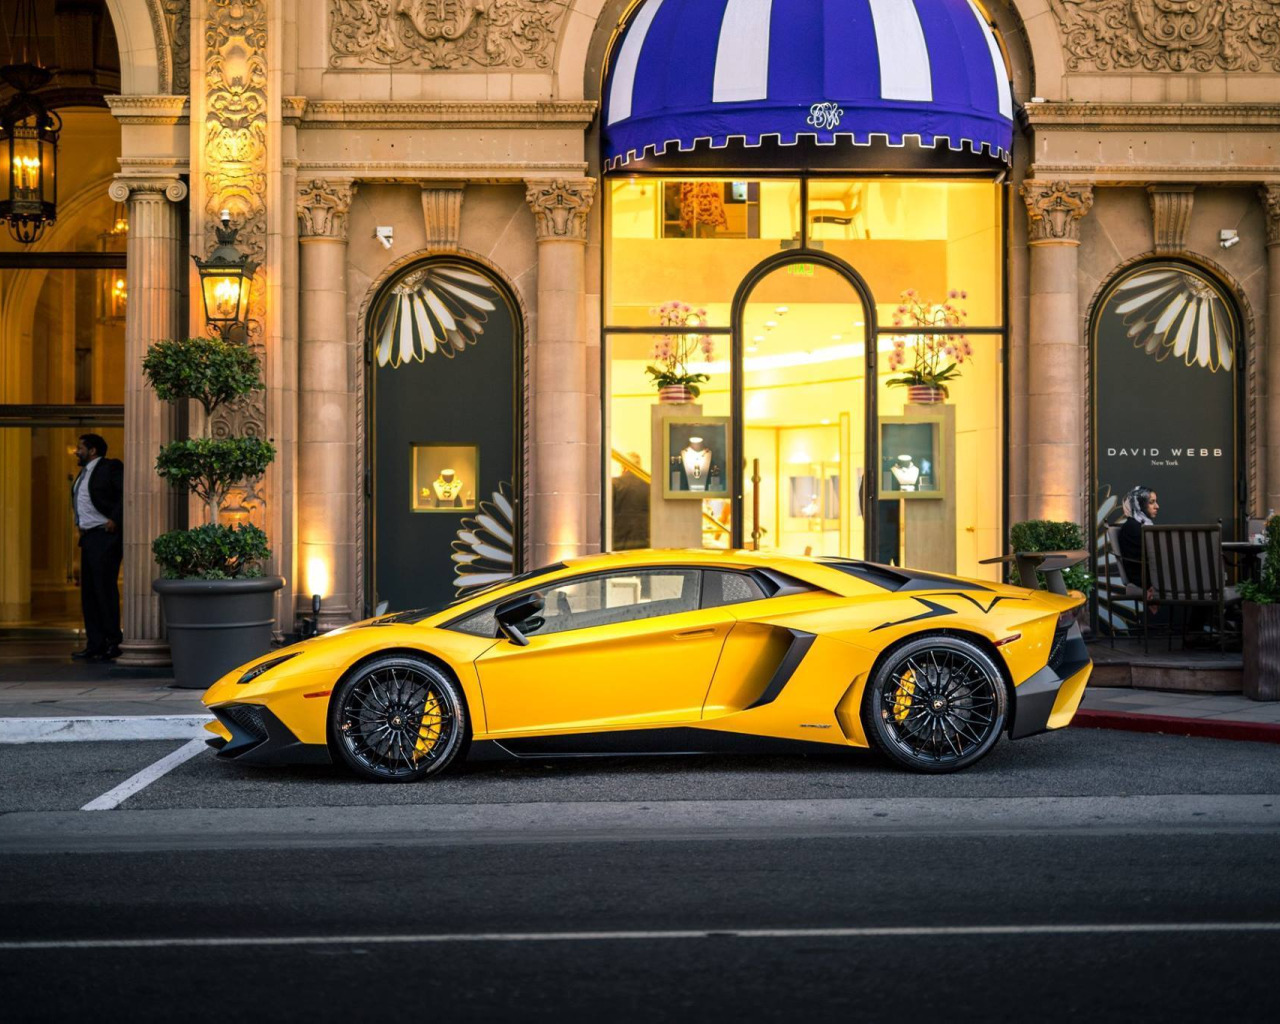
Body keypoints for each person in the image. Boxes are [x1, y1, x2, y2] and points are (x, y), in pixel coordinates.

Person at [71, 433, 124, 661]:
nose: (76, 451)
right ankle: (95, 644)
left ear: (92, 450)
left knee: (104, 591)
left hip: (106, 535)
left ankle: (113, 642)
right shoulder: (83, 474)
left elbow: (125, 494)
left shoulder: (110, 467)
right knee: (90, 594)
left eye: (80, 447)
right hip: (89, 538)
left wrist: (115, 519)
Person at [1118, 485, 1159, 587]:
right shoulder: (1133, 527)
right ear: (1139, 504)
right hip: (1145, 581)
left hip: (1152, 577)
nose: (1157, 506)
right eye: (1151, 502)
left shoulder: (1140, 525)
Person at [611, 452, 650, 550]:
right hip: (643, 538)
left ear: (624, 466)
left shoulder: (615, 483)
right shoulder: (648, 484)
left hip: (619, 539)